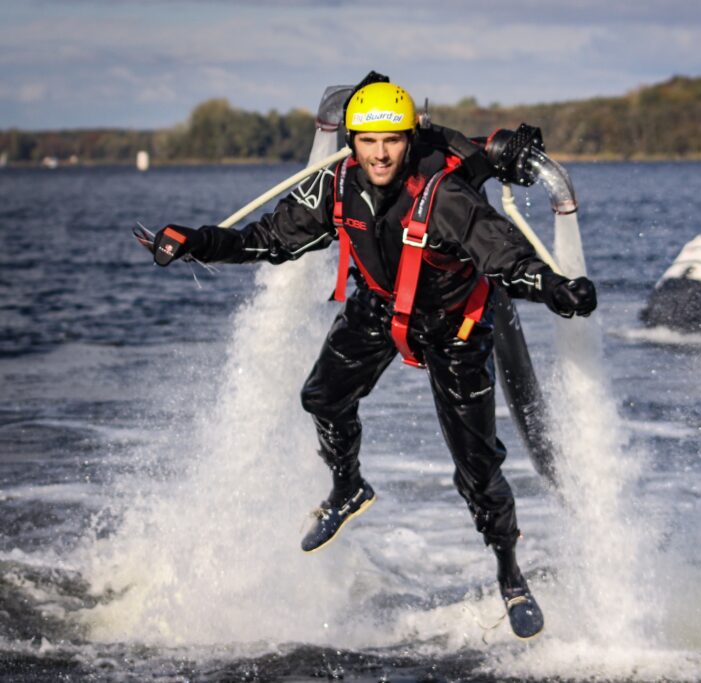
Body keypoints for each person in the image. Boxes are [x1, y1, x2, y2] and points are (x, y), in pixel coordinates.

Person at [146, 80, 597, 640]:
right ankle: (348, 488)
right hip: (380, 309)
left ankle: (509, 572)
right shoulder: (336, 186)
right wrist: (197, 243)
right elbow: (269, 238)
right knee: (321, 397)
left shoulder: (446, 198)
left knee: (478, 472)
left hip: (455, 328)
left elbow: (503, 255)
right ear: (351, 143)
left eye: (391, 141)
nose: (379, 154)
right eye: (367, 141)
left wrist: (552, 287)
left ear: (409, 139)